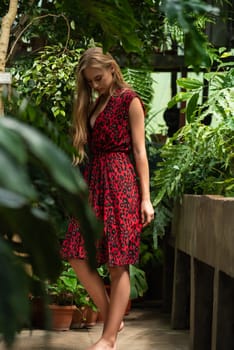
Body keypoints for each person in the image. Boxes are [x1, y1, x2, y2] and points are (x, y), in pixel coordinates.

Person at [61, 47, 154, 350]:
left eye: (98, 78)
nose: (95, 85)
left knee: (118, 263)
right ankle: (111, 313)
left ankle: (109, 338)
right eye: (90, 82)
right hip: (95, 184)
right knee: (76, 252)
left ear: (112, 69)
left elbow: (140, 152)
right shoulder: (96, 102)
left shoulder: (130, 100)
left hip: (121, 183)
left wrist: (146, 199)